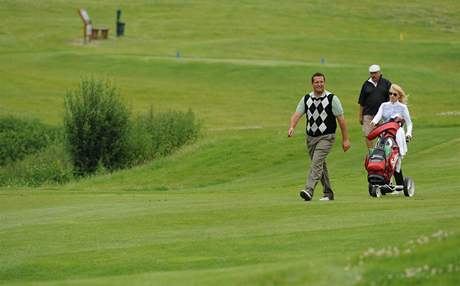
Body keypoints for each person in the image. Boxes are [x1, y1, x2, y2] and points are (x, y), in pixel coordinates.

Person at [288, 72, 351, 201]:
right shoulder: (306, 99)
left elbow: (341, 120)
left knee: (316, 163)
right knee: (320, 164)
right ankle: (328, 193)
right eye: (316, 82)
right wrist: (292, 127)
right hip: (311, 138)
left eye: (321, 82)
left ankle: (309, 190)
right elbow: (297, 114)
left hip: (327, 137)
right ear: (312, 84)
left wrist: (345, 139)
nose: (319, 84)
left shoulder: (332, 98)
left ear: (324, 83)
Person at [371, 83, 413, 188]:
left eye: (394, 94)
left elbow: (409, 123)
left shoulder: (403, 107)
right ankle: (382, 180)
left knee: (395, 159)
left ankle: (398, 184)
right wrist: (374, 122)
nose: (392, 96)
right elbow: (377, 117)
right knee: (382, 156)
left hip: (398, 135)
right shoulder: (384, 105)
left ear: (399, 96)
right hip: (384, 135)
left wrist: (408, 133)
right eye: (390, 94)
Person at [358, 64, 391, 148]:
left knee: (384, 134)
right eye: (371, 73)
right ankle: (371, 153)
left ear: (379, 73)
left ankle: (382, 151)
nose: (373, 75)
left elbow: (391, 99)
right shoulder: (366, 84)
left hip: (382, 115)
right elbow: (361, 101)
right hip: (368, 114)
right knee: (368, 135)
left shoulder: (386, 83)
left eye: (375, 73)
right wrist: (360, 115)